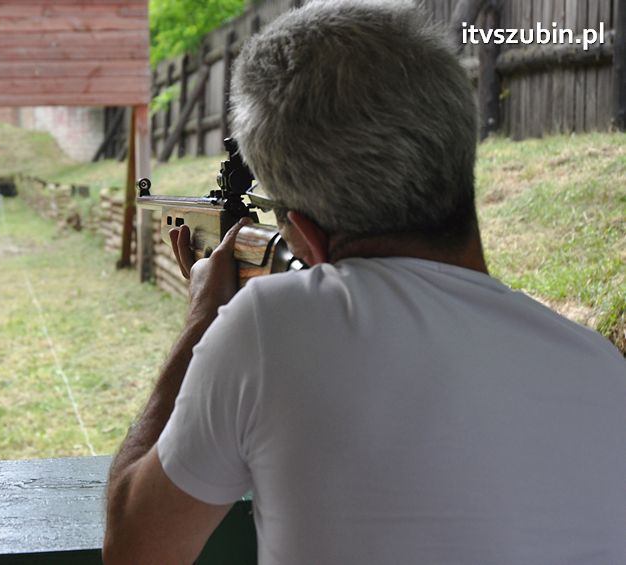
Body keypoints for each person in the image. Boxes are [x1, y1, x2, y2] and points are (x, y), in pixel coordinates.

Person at [102, 1, 626, 563]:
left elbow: (134, 548)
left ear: (305, 237)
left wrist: (203, 320)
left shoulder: (269, 327)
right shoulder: (602, 367)